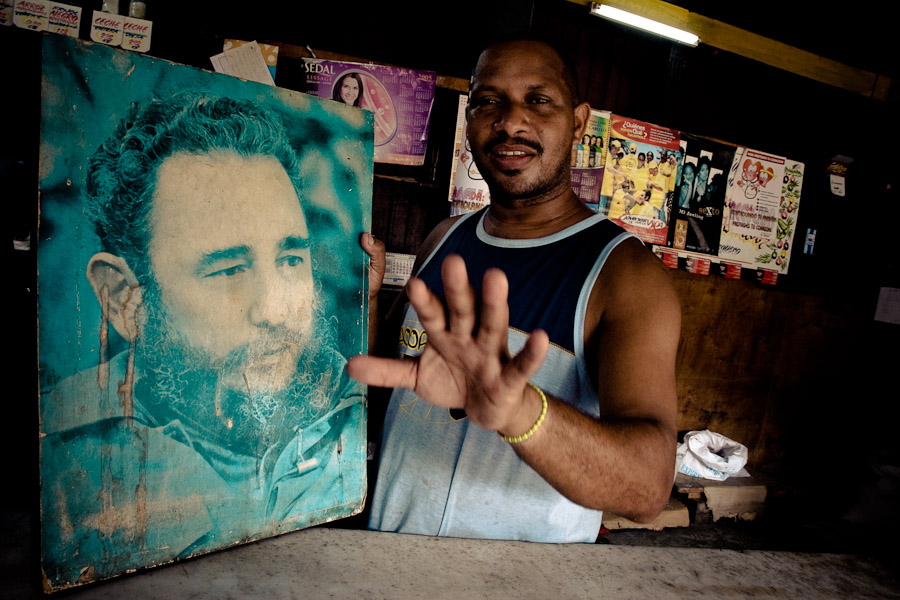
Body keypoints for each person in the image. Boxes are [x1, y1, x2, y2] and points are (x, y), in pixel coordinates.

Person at [352, 38, 679, 543]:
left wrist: (520, 411)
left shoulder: (625, 276)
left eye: (538, 100)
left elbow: (648, 488)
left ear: (579, 121)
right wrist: (369, 299)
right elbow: (387, 380)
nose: (510, 122)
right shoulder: (443, 239)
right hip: (389, 563)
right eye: (488, 102)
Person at [40, 92, 365, 586]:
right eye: (229, 269)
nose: (275, 310)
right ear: (123, 297)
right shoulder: (67, 463)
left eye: (290, 260)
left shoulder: (352, 410)